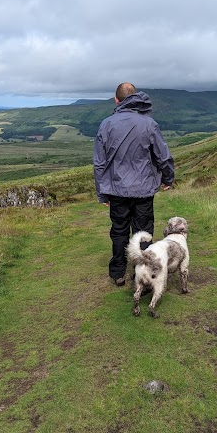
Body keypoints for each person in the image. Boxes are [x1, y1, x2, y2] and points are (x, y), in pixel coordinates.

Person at [93, 82, 174, 286]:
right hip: (144, 190)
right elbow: (162, 156)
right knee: (144, 231)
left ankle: (118, 272)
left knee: (119, 230)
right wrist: (168, 178)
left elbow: (99, 163)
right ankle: (144, 271)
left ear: (117, 100)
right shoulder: (149, 124)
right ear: (135, 98)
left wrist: (102, 193)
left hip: (117, 190)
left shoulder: (106, 124)